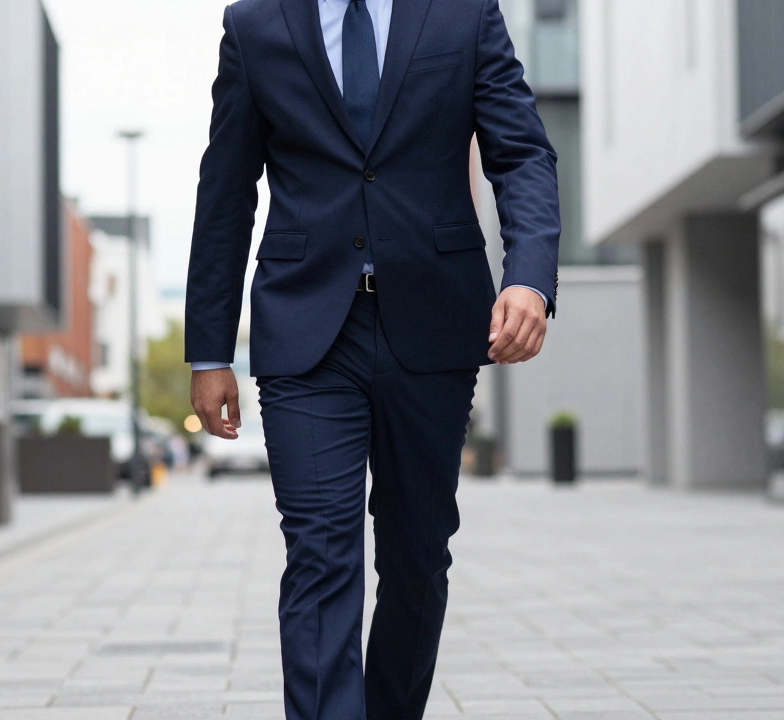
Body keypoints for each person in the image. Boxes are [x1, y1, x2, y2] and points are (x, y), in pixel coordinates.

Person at [185, 0, 559, 717]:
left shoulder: (463, 15)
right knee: (321, 556)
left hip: (434, 324)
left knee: (417, 558)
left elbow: (521, 153)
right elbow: (226, 192)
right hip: (307, 335)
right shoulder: (256, 25)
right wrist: (209, 349)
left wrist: (529, 277)